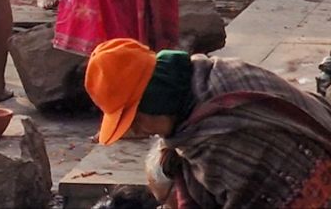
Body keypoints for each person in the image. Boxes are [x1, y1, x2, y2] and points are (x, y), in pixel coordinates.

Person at [85, 38, 331, 208]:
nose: (138, 131)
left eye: (135, 121)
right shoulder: (211, 72)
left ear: (154, 105)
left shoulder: (218, 144)